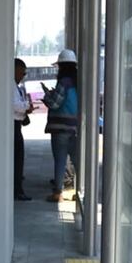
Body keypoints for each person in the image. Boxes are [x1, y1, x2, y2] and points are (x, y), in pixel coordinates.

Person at [44, 48, 80, 203]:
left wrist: (47, 95)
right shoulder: (80, 82)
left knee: (60, 160)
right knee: (77, 161)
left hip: (60, 129)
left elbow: (55, 103)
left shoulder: (63, 82)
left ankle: (58, 192)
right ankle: (80, 190)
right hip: (75, 128)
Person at [13, 58, 34, 201]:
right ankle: (17, 190)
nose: (23, 76)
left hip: (17, 124)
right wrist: (27, 106)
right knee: (17, 159)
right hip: (13, 125)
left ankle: (17, 187)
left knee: (18, 158)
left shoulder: (15, 86)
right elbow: (15, 105)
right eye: (22, 73)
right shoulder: (10, 86)